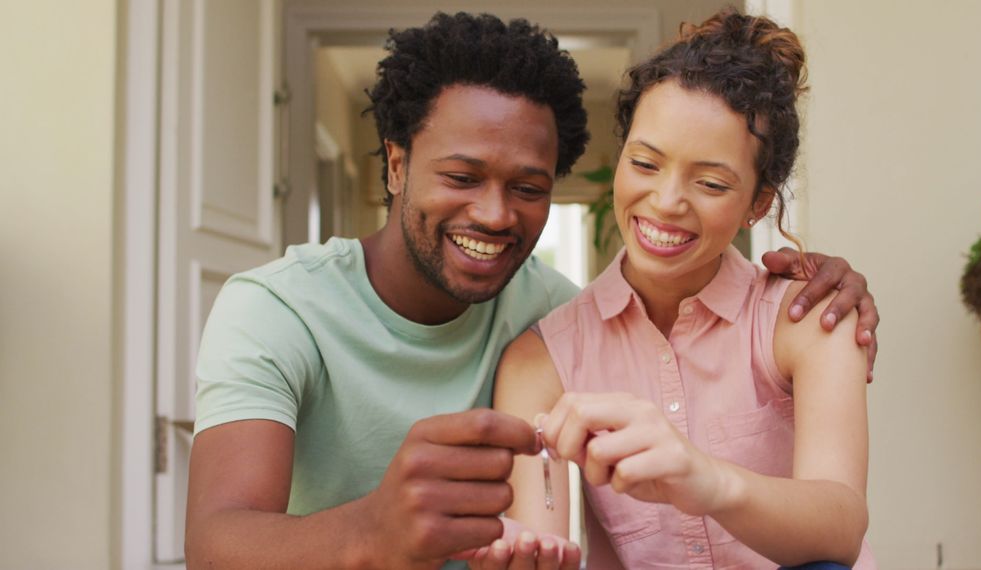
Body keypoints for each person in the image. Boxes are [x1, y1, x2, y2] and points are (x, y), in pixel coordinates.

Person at [184, 11, 880, 570]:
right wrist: (377, 529)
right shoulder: (275, 310)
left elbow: (837, 522)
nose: (494, 214)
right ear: (396, 164)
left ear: (757, 202)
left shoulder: (550, 307)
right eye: (461, 177)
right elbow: (215, 546)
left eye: (528, 189)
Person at [480, 9, 875, 569]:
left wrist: (703, 478)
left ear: (757, 205)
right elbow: (536, 536)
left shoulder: (809, 319)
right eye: (645, 163)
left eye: (711, 183)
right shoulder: (541, 360)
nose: (666, 202)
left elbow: (840, 528)